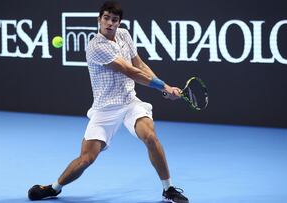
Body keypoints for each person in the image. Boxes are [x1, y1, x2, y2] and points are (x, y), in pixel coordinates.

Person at [28, 1, 189, 202]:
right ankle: (53, 188)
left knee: (150, 136)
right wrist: (164, 86)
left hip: (130, 102)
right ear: (99, 19)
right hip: (105, 109)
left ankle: (169, 189)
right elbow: (129, 70)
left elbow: (138, 63)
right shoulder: (96, 46)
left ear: (119, 22)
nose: (110, 23)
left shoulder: (124, 35)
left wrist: (163, 89)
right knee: (87, 158)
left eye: (114, 20)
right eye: (106, 18)